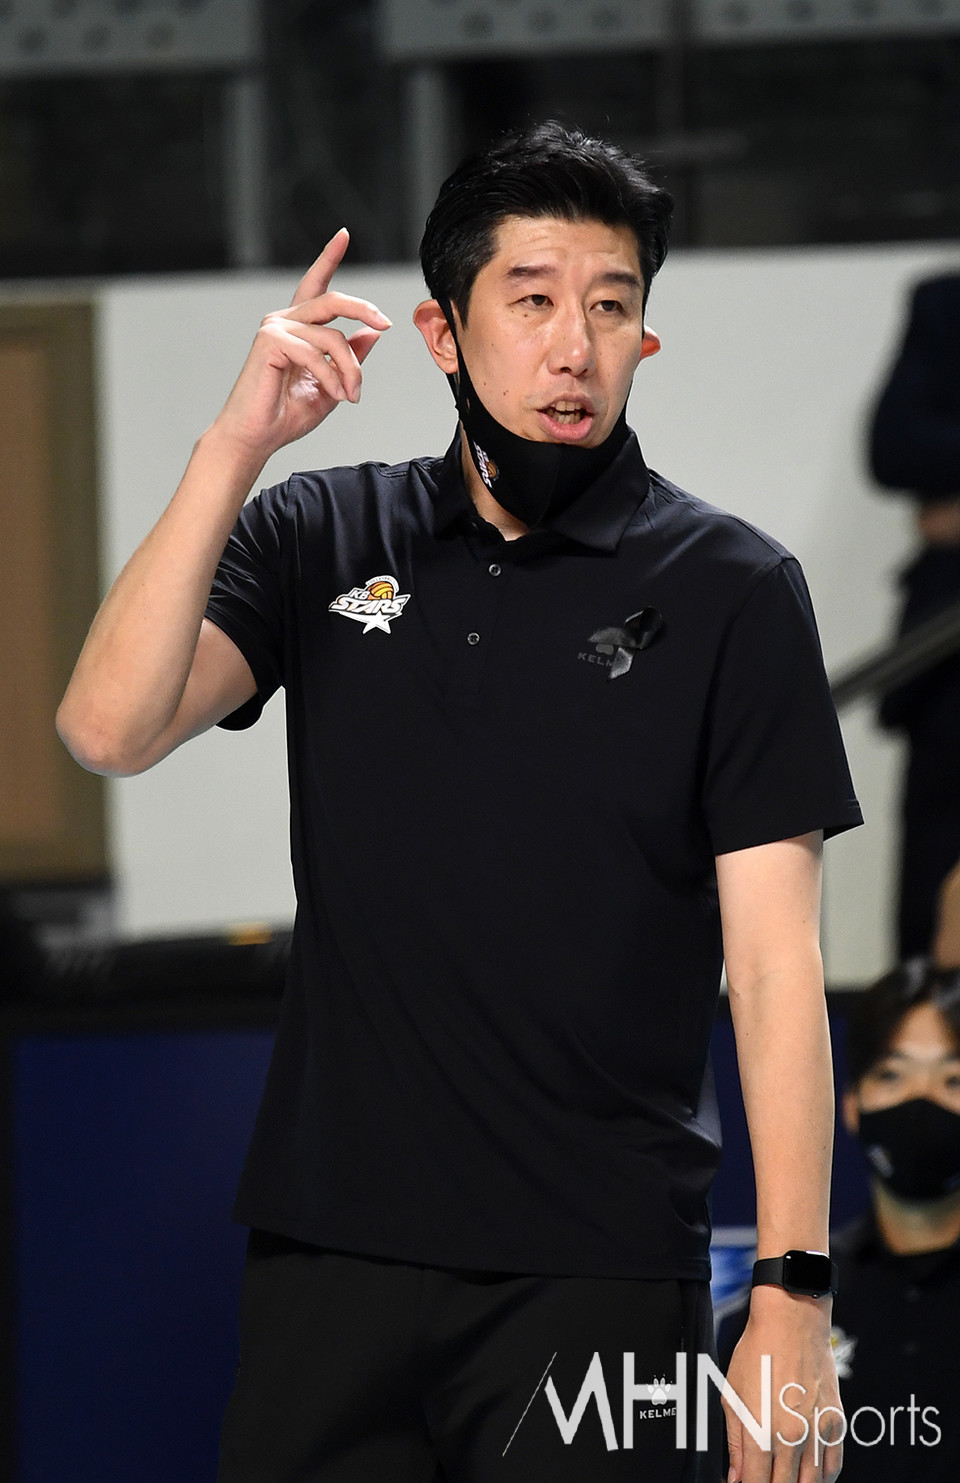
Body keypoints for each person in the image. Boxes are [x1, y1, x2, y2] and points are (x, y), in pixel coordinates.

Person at [57, 122, 863, 1482]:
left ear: (646, 340)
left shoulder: (735, 589)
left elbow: (777, 965)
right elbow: (106, 727)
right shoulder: (323, 533)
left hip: (598, 1266)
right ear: (443, 330)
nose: (574, 347)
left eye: (610, 306)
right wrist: (235, 445)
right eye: (532, 299)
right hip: (331, 1248)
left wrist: (791, 1290)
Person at [719, 960, 960, 1481]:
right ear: (849, 1105)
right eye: (892, 1075)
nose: (922, 1100)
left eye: (953, 1079)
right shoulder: (783, 1316)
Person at [869, 273, 960, 959]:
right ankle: (923, 1017)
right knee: (932, 890)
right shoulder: (945, 305)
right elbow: (893, 447)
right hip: (946, 649)